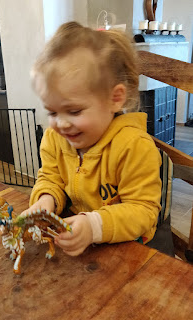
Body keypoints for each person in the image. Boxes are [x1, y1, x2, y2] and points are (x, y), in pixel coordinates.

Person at [21, 21, 162, 256]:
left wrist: (94, 226)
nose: (61, 124)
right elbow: (50, 177)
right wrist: (46, 200)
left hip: (130, 248)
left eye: (74, 111)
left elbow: (143, 211)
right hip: (80, 243)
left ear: (114, 99)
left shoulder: (134, 146)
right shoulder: (54, 138)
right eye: (52, 112)